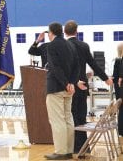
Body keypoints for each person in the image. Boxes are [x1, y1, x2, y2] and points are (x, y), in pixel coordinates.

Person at [64, 20, 113, 154]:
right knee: (81, 117)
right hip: (83, 86)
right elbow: (93, 64)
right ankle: (85, 148)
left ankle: (75, 147)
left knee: (71, 117)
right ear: (77, 32)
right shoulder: (84, 45)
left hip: (70, 86)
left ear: (64, 32)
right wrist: (105, 78)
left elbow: (65, 68)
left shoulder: (65, 46)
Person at [44, 22, 79, 160]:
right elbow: (77, 66)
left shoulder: (51, 46)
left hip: (56, 88)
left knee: (57, 120)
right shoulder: (70, 45)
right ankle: (69, 150)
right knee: (68, 119)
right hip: (68, 89)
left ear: (51, 32)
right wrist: (71, 83)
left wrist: (65, 83)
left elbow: (55, 67)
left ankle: (60, 151)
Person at [113, 43, 123, 136]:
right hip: (120, 87)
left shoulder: (117, 60)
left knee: (121, 109)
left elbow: (115, 77)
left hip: (119, 89)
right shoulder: (120, 61)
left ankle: (121, 130)